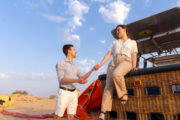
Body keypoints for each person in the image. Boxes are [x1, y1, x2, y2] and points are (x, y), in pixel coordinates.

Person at [95, 25, 138, 120]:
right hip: (113, 62)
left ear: (125, 30)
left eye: (118, 30)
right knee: (108, 87)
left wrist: (134, 65)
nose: (117, 32)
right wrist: (100, 64)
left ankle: (123, 94)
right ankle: (102, 113)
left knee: (116, 74)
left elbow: (134, 54)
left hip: (125, 61)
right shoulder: (114, 42)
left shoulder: (132, 42)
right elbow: (108, 54)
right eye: (116, 31)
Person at [54, 44, 95, 120]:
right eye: (74, 49)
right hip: (64, 93)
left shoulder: (75, 66)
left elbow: (82, 77)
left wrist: (92, 70)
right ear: (69, 51)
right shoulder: (60, 63)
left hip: (74, 93)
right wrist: (77, 80)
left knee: (71, 115)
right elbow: (61, 79)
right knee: (58, 115)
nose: (76, 51)